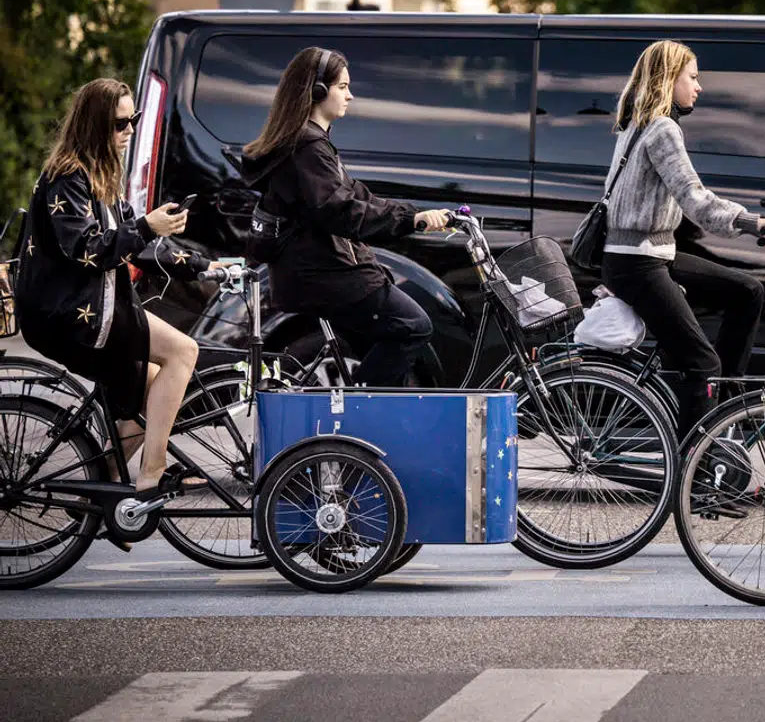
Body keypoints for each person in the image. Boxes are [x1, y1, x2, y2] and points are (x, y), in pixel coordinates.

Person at [15, 78, 209, 509]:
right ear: (94, 125)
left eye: (134, 120)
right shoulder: (68, 176)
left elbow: (135, 242)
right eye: (121, 123)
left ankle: (107, 501)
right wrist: (145, 226)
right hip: (68, 316)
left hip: (94, 308)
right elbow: (87, 250)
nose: (130, 130)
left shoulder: (103, 174)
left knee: (154, 387)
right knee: (183, 352)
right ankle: (151, 475)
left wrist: (205, 266)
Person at [599, 40, 765, 436]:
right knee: (703, 364)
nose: (699, 86)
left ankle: (723, 409)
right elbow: (695, 198)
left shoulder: (638, 124)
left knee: (747, 290)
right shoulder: (662, 128)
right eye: (693, 77)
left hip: (646, 255)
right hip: (638, 262)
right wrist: (754, 223)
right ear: (669, 79)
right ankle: (693, 471)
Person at [239, 47, 450, 387]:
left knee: (389, 332)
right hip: (321, 274)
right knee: (414, 325)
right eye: (342, 86)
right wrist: (411, 221)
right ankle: (357, 412)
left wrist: (413, 214)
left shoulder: (312, 143)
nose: (350, 95)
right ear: (317, 91)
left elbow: (355, 195)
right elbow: (342, 210)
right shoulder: (307, 147)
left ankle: (369, 413)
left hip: (319, 271)